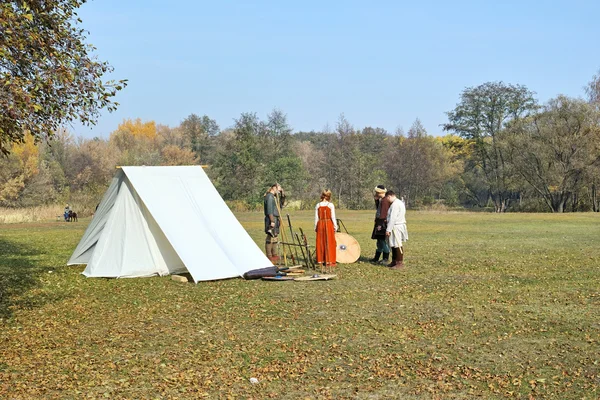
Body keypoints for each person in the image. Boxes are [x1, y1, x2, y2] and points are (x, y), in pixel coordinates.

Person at [315, 189, 338, 269]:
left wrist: (316, 227)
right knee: (329, 241)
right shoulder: (330, 205)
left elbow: (316, 218)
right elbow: (333, 217)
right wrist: (335, 226)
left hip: (320, 223)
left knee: (321, 241)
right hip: (328, 224)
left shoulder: (318, 205)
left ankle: (321, 260)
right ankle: (329, 260)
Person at [385, 190, 408, 269]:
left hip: (396, 226)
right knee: (393, 244)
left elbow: (393, 218)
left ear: (389, 196)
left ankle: (399, 263)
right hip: (396, 225)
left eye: (387, 198)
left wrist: (388, 229)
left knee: (397, 244)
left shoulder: (395, 204)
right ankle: (394, 261)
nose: (387, 200)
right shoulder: (399, 203)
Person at [263, 183, 285, 263]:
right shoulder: (269, 196)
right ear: (274, 188)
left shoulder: (274, 197)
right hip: (271, 218)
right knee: (270, 236)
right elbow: (269, 209)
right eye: (279, 188)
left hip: (276, 218)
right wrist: (272, 221)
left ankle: (274, 254)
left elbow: (280, 205)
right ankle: (269, 255)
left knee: (275, 236)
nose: (279, 191)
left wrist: (283, 196)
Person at [370, 185, 391, 264]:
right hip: (379, 222)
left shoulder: (385, 201)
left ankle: (385, 259)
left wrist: (380, 224)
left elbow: (383, 213)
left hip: (382, 223)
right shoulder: (382, 200)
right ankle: (376, 258)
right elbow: (378, 209)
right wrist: (376, 200)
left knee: (383, 241)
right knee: (379, 241)